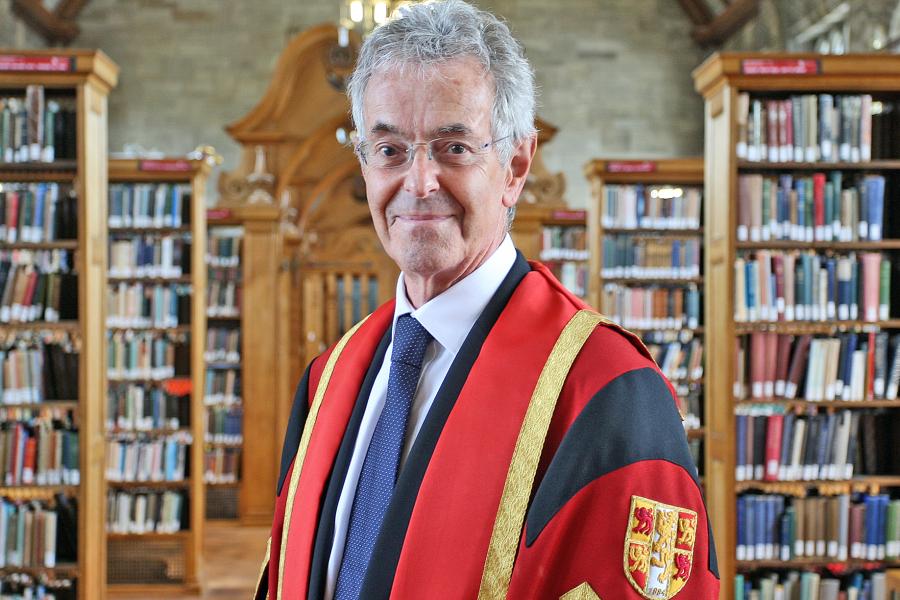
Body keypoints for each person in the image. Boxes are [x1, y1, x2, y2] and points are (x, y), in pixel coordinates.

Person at [255, 1, 719, 598]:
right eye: (391, 150)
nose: (418, 183)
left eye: (453, 148)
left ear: (515, 166)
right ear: (365, 164)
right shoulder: (329, 379)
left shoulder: (605, 388)